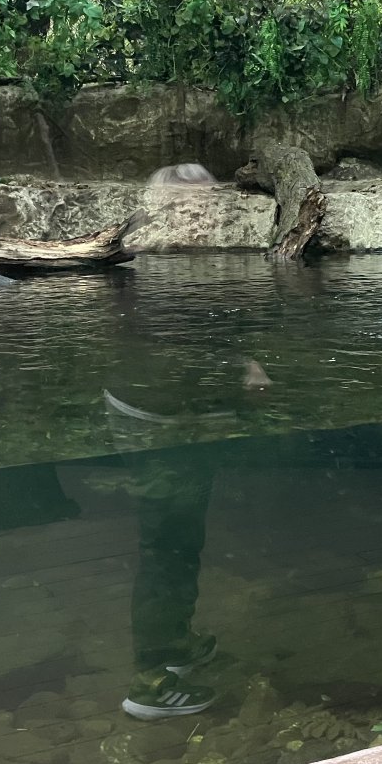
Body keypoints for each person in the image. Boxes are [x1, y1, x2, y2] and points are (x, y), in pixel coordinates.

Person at [106, 164, 272, 720]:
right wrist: (230, 376)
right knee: (165, 546)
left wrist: (243, 362)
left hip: (181, 420)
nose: (200, 214)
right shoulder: (140, 262)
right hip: (155, 420)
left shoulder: (195, 258)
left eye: (206, 204)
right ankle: (149, 680)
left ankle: (173, 643)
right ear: (159, 206)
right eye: (187, 204)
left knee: (181, 539)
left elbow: (212, 331)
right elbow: (166, 356)